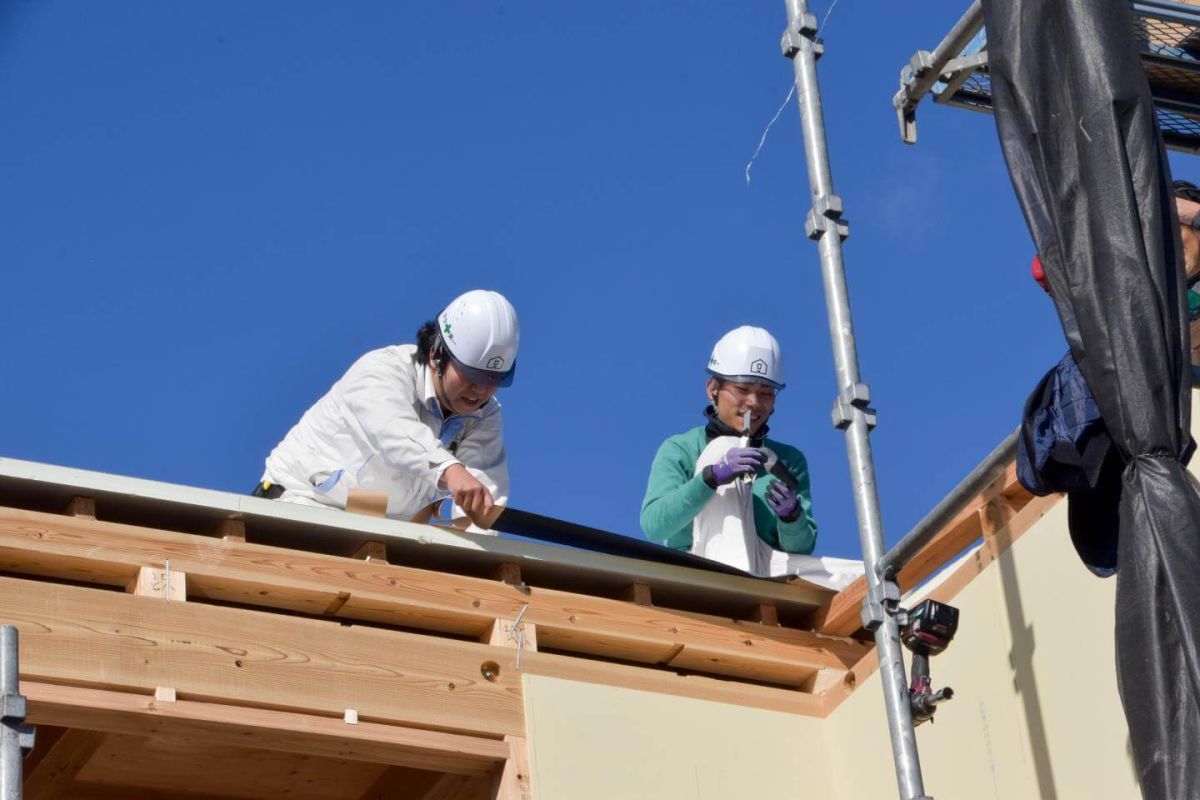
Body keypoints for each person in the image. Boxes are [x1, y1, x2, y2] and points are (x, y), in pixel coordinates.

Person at [255, 289, 518, 527]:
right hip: (298, 504)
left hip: (375, 532)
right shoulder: (381, 372)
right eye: (470, 375)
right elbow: (395, 433)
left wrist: (481, 534)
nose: (480, 390)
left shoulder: (484, 414)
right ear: (436, 356)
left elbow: (483, 497)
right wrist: (450, 470)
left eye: (493, 379)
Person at [640, 326, 817, 575]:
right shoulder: (682, 449)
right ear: (713, 389)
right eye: (742, 389)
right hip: (695, 572)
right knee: (721, 446)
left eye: (765, 393)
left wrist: (792, 516)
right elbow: (655, 526)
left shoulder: (786, 461)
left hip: (769, 577)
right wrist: (709, 479)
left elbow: (801, 548)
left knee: (853, 577)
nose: (754, 402)